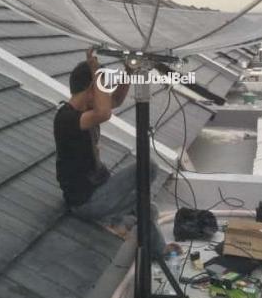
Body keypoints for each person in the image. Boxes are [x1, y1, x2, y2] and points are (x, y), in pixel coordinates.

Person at [53, 49, 175, 256]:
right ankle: (116, 221)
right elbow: (104, 112)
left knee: (150, 209)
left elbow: (115, 101)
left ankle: (157, 249)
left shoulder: (84, 113)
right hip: (87, 202)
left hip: (100, 190)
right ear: (91, 88)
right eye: (101, 88)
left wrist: (128, 71)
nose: (104, 94)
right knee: (149, 167)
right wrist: (95, 70)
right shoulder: (66, 118)